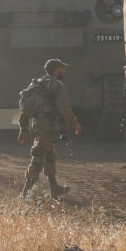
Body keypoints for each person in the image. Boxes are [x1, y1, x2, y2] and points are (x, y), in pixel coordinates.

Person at [18, 58, 81, 200]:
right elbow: (65, 107)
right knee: (39, 156)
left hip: (35, 123)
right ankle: (25, 194)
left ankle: (55, 190)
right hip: (45, 124)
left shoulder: (37, 84)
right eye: (61, 68)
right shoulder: (57, 85)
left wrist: (23, 127)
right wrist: (74, 123)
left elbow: (25, 108)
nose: (63, 71)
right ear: (55, 70)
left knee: (50, 155)